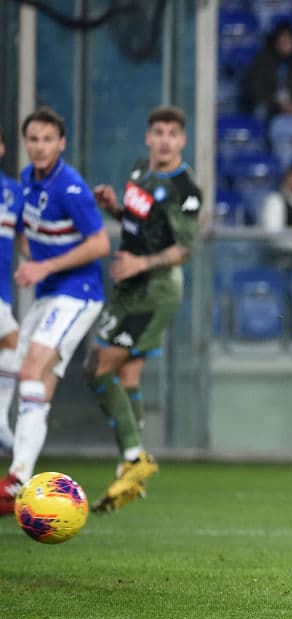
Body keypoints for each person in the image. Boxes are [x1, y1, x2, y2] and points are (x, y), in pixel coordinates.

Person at [85, 106, 202, 512]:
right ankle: (129, 467)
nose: (166, 139)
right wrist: (114, 208)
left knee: (96, 366)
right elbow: (144, 226)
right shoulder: (139, 171)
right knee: (128, 372)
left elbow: (184, 249)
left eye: (173, 133)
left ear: (182, 141)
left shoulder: (186, 189)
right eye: (159, 132)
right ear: (148, 138)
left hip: (154, 290)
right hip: (131, 284)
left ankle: (135, 458)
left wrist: (140, 263)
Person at [0, 107, 110, 514]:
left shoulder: (71, 187)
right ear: (25, 143)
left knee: (30, 368)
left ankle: (18, 477)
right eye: (33, 139)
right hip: (50, 293)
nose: (40, 146)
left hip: (77, 293)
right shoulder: (28, 180)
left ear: (61, 143)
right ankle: (21, 479)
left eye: (48, 139)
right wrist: (31, 259)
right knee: (37, 383)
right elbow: (31, 235)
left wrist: (44, 265)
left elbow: (100, 244)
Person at [0, 127, 23, 454]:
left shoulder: (13, 193)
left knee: (12, 344)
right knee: (13, 341)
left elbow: (27, 243)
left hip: (3, 289)